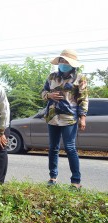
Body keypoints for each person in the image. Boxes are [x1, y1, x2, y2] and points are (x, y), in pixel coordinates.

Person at [42, 49, 88, 189]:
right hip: (52, 117)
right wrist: (49, 96)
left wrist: (83, 118)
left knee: (70, 148)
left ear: (72, 64)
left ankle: (76, 181)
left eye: (66, 61)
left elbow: (83, 99)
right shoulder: (52, 77)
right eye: (61, 60)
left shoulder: (80, 78)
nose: (63, 63)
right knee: (53, 148)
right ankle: (52, 178)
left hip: (69, 118)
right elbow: (43, 92)